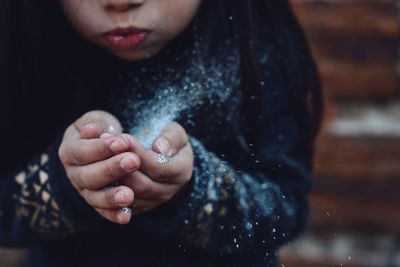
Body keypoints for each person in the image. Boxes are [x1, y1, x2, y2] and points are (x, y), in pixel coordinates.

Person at [0, 0, 323, 266]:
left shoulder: (252, 48)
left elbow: (285, 209)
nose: (121, 3)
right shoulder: (27, 50)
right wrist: (67, 183)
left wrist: (192, 189)